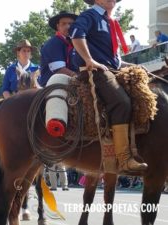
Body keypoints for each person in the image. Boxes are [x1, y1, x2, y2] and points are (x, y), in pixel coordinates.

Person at [69, 0, 148, 172]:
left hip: (110, 69)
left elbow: (113, 60)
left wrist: (132, 66)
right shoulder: (90, 15)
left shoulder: (111, 21)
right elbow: (76, 35)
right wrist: (89, 60)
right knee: (122, 102)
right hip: (95, 71)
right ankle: (124, 159)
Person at [39, 10, 78, 87]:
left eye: (70, 24)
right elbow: (59, 70)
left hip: (73, 82)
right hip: (53, 85)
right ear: (58, 26)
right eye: (63, 24)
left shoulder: (76, 43)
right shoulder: (53, 43)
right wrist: (78, 77)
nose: (67, 26)